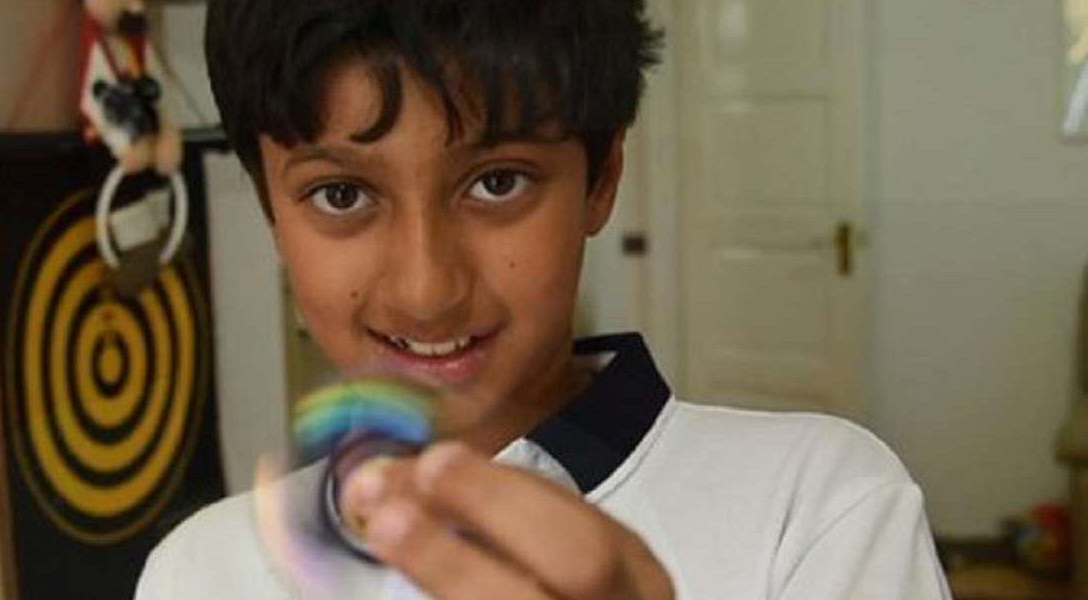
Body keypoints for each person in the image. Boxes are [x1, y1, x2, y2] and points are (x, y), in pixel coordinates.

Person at [136, 0, 952, 598]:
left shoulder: (814, 507)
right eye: (341, 195)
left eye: (498, 182)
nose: (427, 290)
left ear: (601, 179)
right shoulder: (203, 571)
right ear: (271, 211)